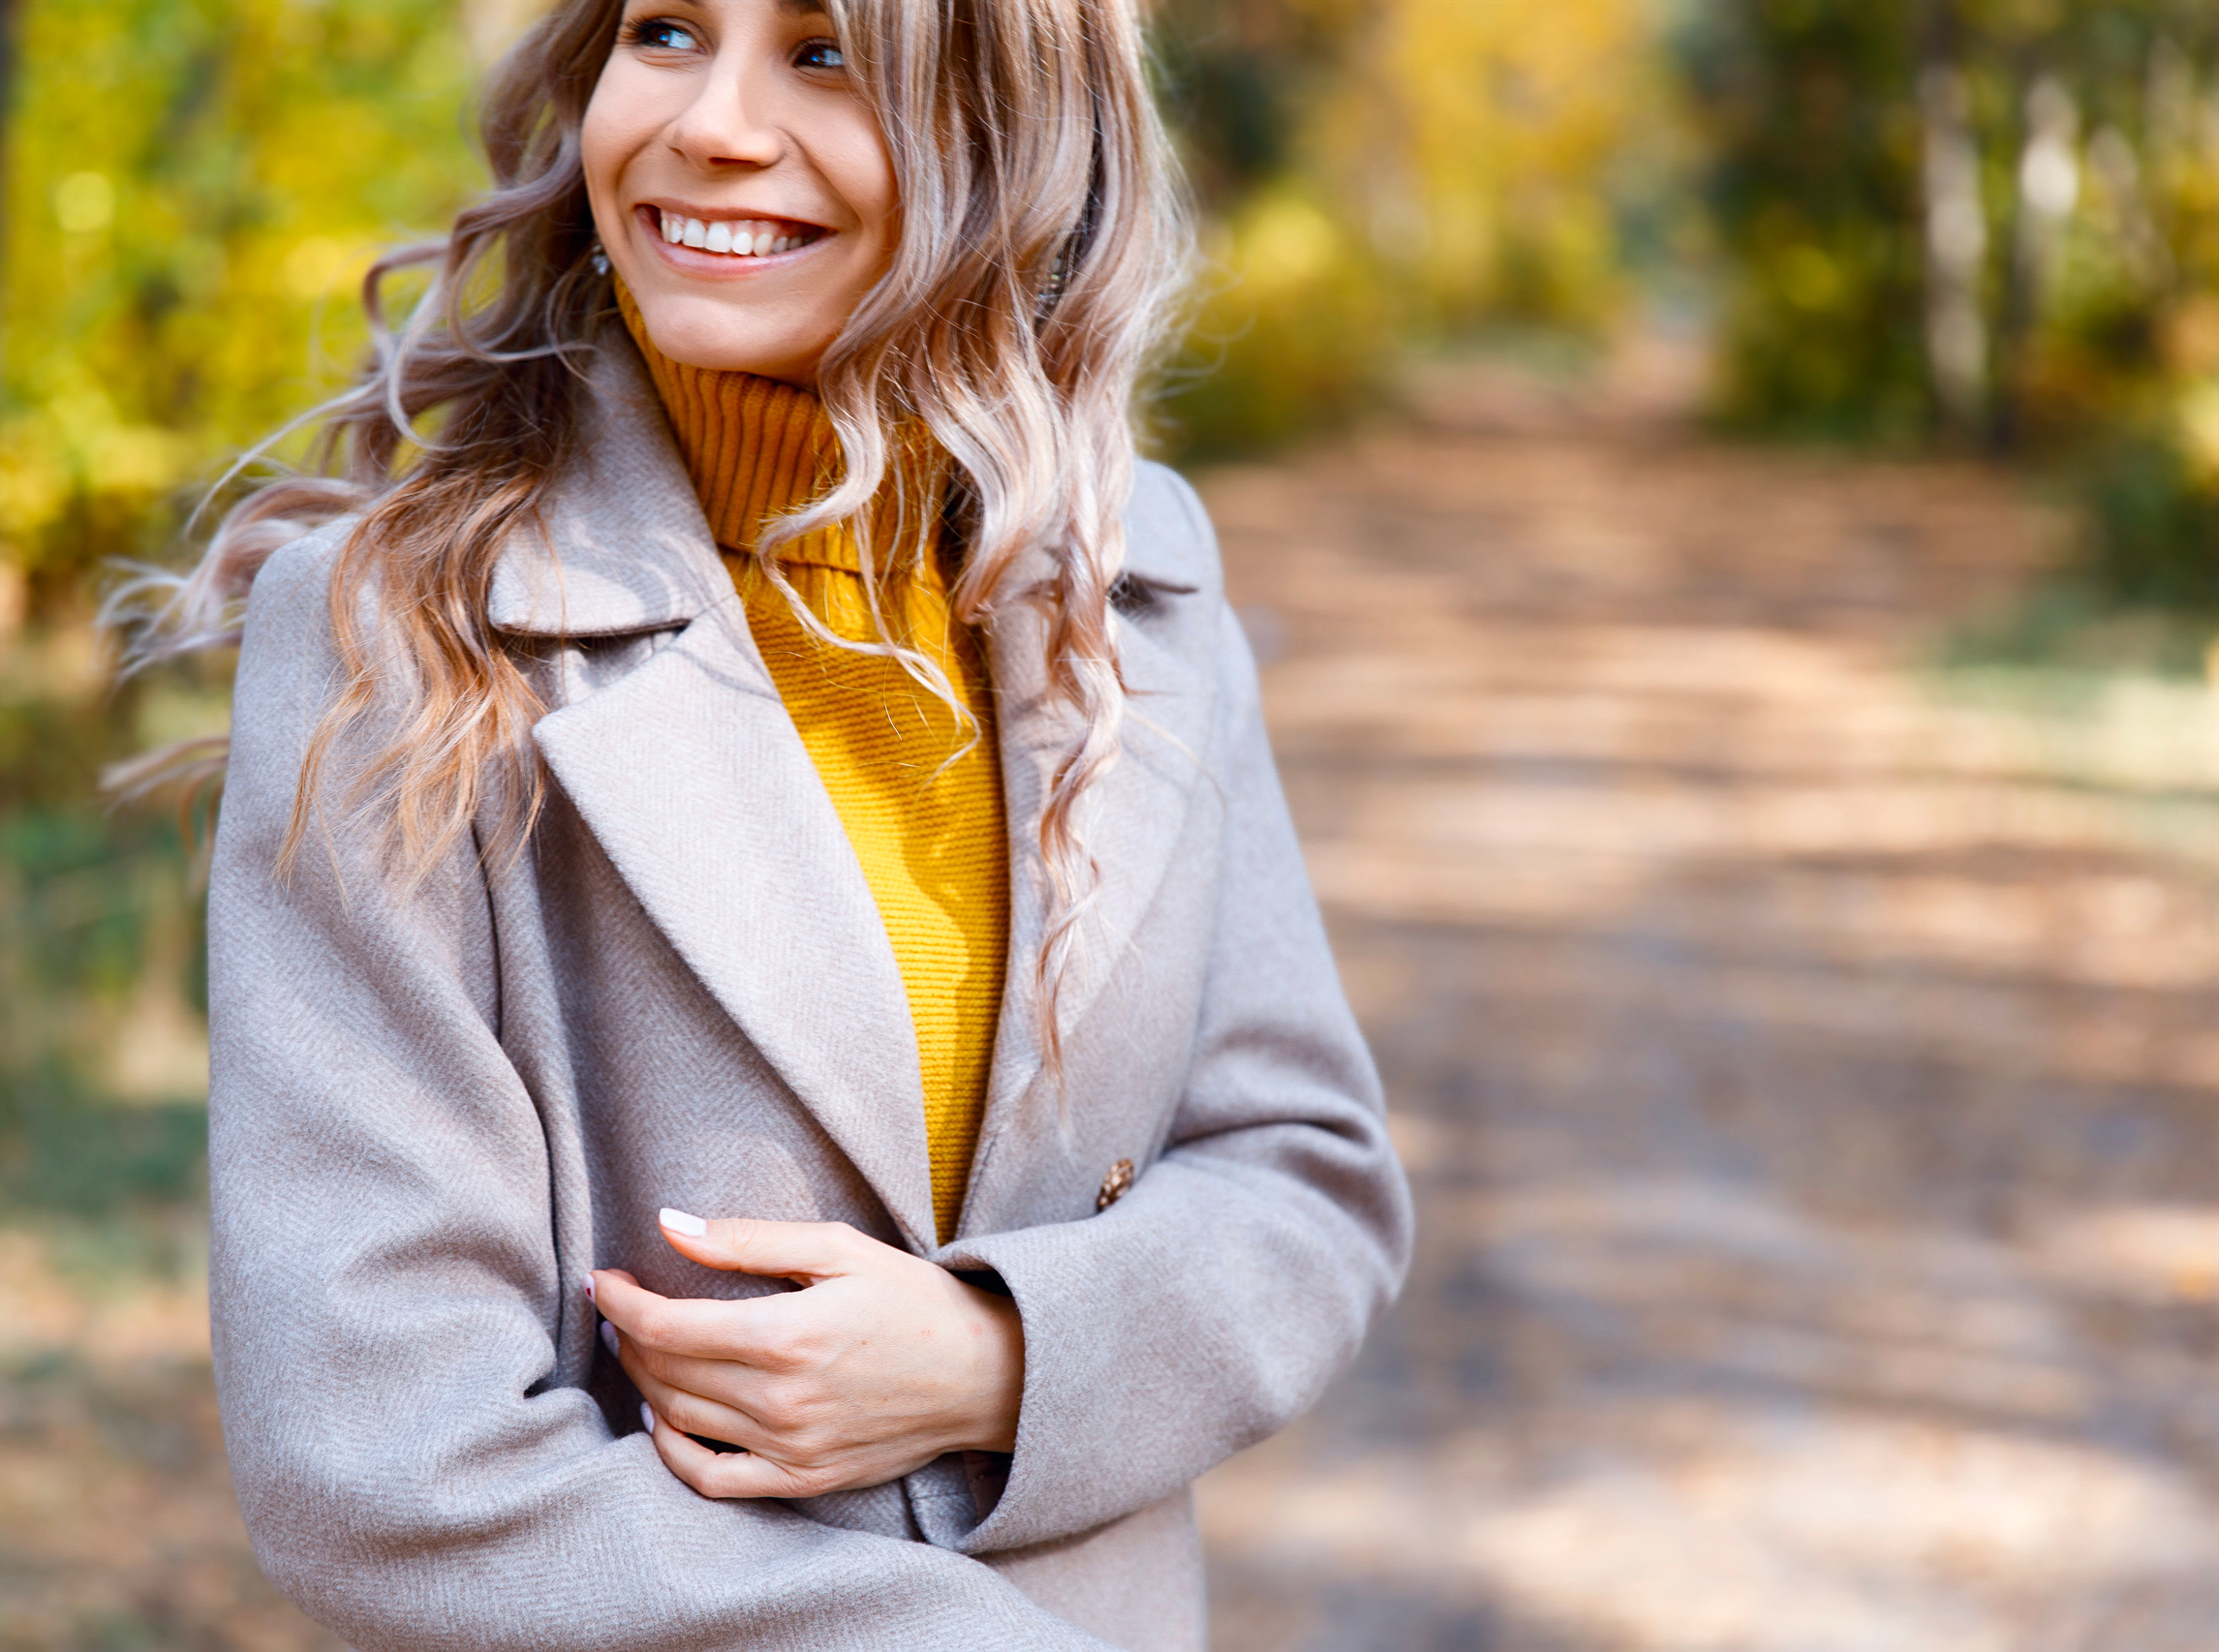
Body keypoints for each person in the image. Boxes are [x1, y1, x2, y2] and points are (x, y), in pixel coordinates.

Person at [118, 0, 1409, 1644]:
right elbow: (379, 1456)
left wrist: (1004, 1356)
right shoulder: (401, 636)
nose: (713, 122)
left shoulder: (1132, 576)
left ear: (1013, 124)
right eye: (664, 31)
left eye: (825, 53)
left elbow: (1307, 1179)